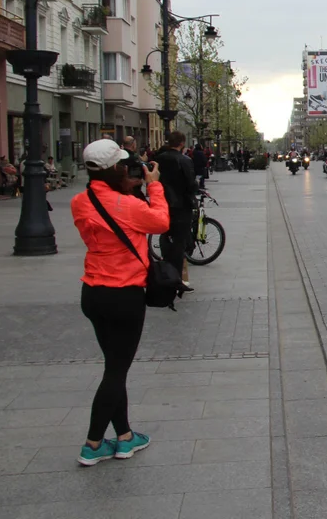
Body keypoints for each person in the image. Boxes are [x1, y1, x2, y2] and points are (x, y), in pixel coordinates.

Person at [70, 139, 168, 466]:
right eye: (123, 165)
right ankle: (93, 443)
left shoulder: (79, 202)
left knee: (115, 366)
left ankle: (124, 437)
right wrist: (154, 187)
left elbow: (106, 208)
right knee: (115, 371)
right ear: (116, 169)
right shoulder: (128, 206)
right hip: (124, 294)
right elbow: (160, 222)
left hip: (93, 293)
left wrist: (122, 189)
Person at [154, 132, 199, 289]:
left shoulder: (159, 158)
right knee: (180, 243)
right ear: (181, 143)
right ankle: (177, 280)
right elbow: (190, 183)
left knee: (166, 237)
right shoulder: (184, 160)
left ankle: (165, 271)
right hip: (180, 205)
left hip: (163, 203)